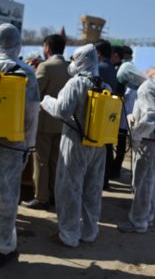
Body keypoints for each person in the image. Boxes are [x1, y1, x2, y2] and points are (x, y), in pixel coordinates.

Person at [40, 44, 108, 247]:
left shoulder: (76, 83)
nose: (72, 63)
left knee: (69, 187)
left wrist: (46, 101)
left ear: (81, 61)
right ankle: (89, 231)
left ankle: (68, 234)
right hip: (98, 143)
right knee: (92, 189)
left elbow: (62, 110)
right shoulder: (104, 85)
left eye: (74, 59)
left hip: (76, 142)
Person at [0, 23, 40, 266]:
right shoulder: (26, 72)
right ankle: (4, 247)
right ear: (16, 44)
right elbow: (32, 113)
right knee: (6, 195)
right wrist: (29, 146)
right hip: (13, 144)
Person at [22, 34, 70, 210]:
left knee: (41, 161)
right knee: (56, 161)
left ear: (47, 47)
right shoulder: (69, 67)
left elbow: (34, 93)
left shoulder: (45, 66)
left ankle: (41, 197)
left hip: (44, 123)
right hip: (62, 122)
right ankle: (53, 194)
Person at [116, 62, 155, 233]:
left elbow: (150, 117)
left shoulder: (145, 89)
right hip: (151, 143)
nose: (127, 85)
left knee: (142, 183)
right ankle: (147, 217)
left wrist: (135, 133)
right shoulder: (149, 86)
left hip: (147, 144)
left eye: (126, 81)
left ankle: (138, 222)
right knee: (150, 184)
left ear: (130, 77)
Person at [95, 39, 119, 189]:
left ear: (98, 53)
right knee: (108, 148)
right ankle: (105, 181)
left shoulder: (98, 68)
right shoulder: (113, 69)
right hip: (111, 114)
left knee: (98, 152)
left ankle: (99, 181)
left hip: (98, 114)